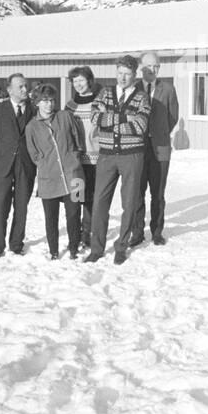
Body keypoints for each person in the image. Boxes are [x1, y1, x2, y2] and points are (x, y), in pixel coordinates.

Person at [88, 56, 150, 265]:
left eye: (128, 74)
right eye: (120, 73)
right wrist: (125, 118)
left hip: (131, 156)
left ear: (134, 75)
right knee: (99, 202)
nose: (123, 78)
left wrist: (110, 119)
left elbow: (140, 126)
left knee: (129, 202)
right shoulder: (104, 93)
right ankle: (96, 248)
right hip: (106, 155)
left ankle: (121, 247)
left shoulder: (142, 97)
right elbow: (95, 118)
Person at [26, 84, 85, 259]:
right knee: (51, 218)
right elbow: (33, 153)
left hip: (74, 174)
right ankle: (53, 251)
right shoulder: (32, 127)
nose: (49, 104)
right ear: (37, 103)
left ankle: (74, 248)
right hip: (48, 178)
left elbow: (77, 139)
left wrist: (74, 157)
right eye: (44, 101)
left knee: (74, 214)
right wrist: (44, 164)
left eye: (52, 100)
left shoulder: (65, 116)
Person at [0, 74, 36, 257]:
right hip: (2, 166)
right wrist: (0, 155)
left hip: (26, 166)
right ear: (9, 89)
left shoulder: (34, 109)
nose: (25, 90)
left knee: (21, 207)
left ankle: (16, 245)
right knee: (0, 207)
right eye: (20, 87)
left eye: (25, 86)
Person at [132, 52, 180, 246]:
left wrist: (158, 132)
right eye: (149, 66)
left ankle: (157, 231)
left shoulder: (167, 89)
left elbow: (173, 116)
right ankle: (137, 233)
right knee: (137, 191)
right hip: (137, 148)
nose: (153, 70)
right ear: (141, 67)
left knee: (158, 193)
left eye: (157, 66)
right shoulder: (132, 89)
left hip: (160, 148)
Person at [65, 69, 100, 253]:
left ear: (89, 81)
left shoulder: (99, 103)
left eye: (81, 80)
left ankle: (87, 235)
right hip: (76, 161)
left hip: (95, 160)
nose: (78, 84)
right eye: (75, 81)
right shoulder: (70, 106)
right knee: (76, 198)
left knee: (91, 199)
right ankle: (75, 235)